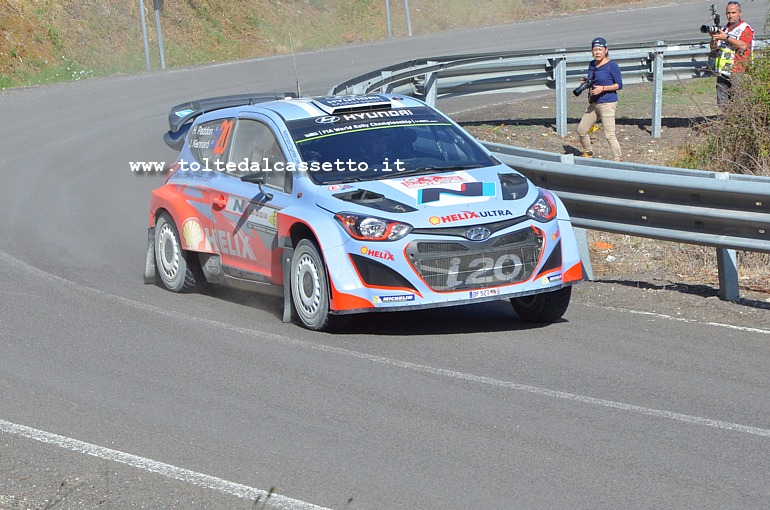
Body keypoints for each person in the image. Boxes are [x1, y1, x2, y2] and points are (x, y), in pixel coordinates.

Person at [576, 37, 623, 161]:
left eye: (600, 49)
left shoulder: (612, 65)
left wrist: (603, 88)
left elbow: (619, 85)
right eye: (595, 50)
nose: (597, 52)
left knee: (609, 135)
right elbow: (594, 78)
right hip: (594, 103)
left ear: (606, 50)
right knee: (581, 130)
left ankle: (617, 160)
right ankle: (588, 152)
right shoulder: (592, 64)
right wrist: (586, 80)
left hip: (608, 103)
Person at [709, 1, 754, 106]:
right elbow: (713, 49)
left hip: (739, 70)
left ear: (740, 13)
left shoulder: (745, 28)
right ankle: (729, 121)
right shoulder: (723, 29)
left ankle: (740, 121)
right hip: (723, 70)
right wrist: (713, 38)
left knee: (740, 102)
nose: (730, 15)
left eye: (733, 12)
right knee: (722, 103)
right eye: (728, 13)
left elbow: (744, 45)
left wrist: (726, 38)